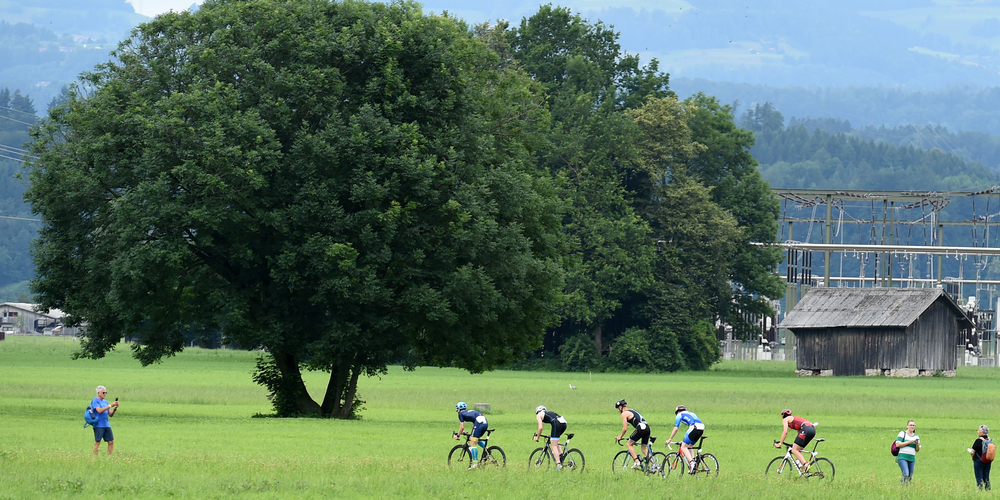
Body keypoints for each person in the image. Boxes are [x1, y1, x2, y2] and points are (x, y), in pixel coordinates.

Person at [666, 405, 705, 474]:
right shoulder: (691, 413)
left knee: (683, 446)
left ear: (677, 412)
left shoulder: (679, 415)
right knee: (689, 445)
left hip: (694, 427)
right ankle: (694, 464)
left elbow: (676, 429)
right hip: (701, 428)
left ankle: (692, 463)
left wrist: (670, 439)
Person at [614, 399, 651, 470]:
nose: (618, 411)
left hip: (641, 428)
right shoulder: (631, 410)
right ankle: (654, 464)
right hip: (647, 428)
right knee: (644, 449)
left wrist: (620, 437)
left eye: (618, 409)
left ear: (620, 407)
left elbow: (625, 428)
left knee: (629, 444)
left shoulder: (624, 414)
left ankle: (636, 461)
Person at [454, 402, 488, 469]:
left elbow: (462, 427)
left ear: (459, 409)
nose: (457, 411)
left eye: (457, 409)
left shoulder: (460, 414)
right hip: (485, 422)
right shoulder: (469, 412)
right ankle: (488, 451)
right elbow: (474, 424)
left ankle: (475, 463)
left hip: (479, 423)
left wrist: (458, 435)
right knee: (475, 439)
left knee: (473, 443)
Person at [534, 405, 568, 470]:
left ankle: (558, 464)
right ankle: (561, 457)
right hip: (563, 423)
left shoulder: (538, 415)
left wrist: (537, 437)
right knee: (555, 441)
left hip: (556, 423)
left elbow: (540, 427)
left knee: (553, 445)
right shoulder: (548, 413)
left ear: (537, 411)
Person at [91, 385, 118, 455]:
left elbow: (110, 414)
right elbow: (99, 410)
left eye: (106, 392)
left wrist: (114, 408)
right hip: (98, 425)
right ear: (98, 393)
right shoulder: (95, 400)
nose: (105, 394)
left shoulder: (105, 402)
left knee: (111, 441)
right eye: (103, 392)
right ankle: (95, 457)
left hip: (106, 424)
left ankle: (109, 457)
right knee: (98, 441)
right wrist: (110, 406)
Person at [896, 420, 920, 485]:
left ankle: (907, 488)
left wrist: (917, 444)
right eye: (910, 425)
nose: (912, 426)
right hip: (902, 457)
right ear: (907, 426)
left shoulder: (916, 436)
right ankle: (901, 486)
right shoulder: (903, 433)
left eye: (913, 425)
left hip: (911, 458)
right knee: (906, 474)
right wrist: (909, 442)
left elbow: (917, 450)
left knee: (910, 477)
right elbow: (898, 444)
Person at [971, 424, 992, 490]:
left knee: (979, 477)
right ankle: (988, 490)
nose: (978, 431)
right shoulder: (990, 440)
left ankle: (980, 490)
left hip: (978, 461)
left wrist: (973, 458)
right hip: (988, 460)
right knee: (986, 476)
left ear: (982, 432)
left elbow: (972, 452)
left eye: (978, 430)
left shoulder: (978, 440)